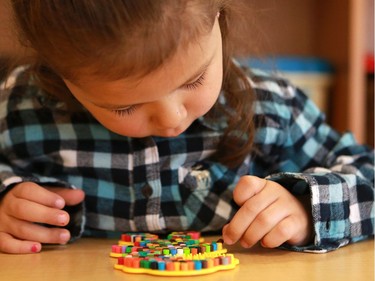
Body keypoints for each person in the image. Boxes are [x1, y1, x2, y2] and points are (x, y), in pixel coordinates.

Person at [0, 0, 373, 255]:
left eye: (193, 81)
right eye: (125, 106)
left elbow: (367, 175)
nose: (171, 119)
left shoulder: (271, 107)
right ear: (59, 76)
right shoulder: (23, 105)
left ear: (218, 17)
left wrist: (308, 210)